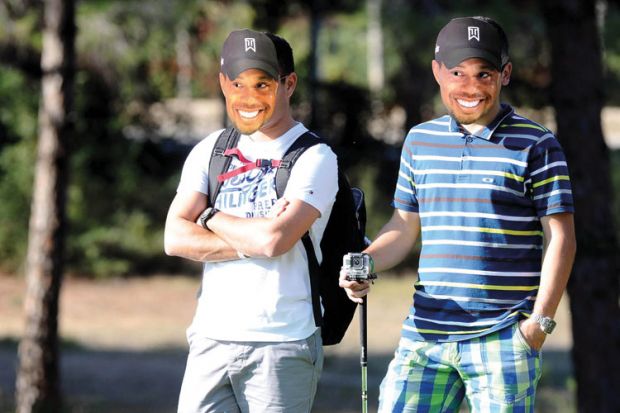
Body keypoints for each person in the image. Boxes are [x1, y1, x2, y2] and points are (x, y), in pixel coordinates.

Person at [340, 16, 576, 412]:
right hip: (425, 334)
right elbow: (403, 225)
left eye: (483, 74)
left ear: (505, 74)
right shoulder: (420, 141)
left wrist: (539, 325)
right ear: (438, 73)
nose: (470, 87)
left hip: (503, 338)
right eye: (457, 73)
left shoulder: (538, 144)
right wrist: (366, 262)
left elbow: (561, 238)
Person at [164, 29, 338, 413]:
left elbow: (275, 241)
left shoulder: (315, 157)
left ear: (288, 84)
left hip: (283, 343)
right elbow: (174, 237)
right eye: (237, 83)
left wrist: (208, 215)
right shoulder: (211, 150)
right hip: (210, 340)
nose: (247, 97)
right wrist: (254, 237)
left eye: (262, 84)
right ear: (224, 84)